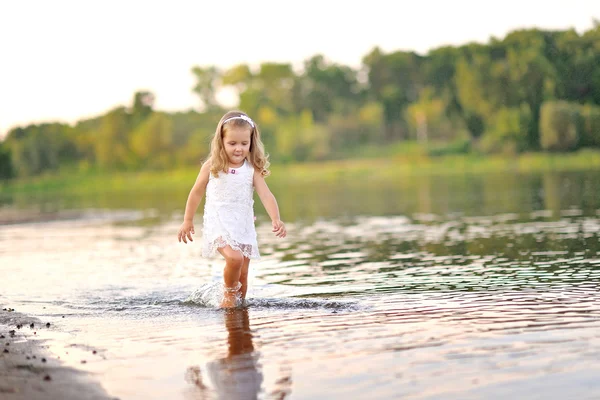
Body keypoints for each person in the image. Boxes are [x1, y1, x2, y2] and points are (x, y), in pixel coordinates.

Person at [177, 111, 286, 308]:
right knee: (234, 259)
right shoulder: (213, 166)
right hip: (218, 223)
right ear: (222, 141)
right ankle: (227, 298)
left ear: (251, 142)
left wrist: (275, 218)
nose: (239, 149)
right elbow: (196, 193)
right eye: (232, 143)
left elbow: (266, 195)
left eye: (244, 144)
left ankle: (238, 311)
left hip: (242, 225)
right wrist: (187, 220)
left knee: (243, 273)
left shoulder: (251, 168)